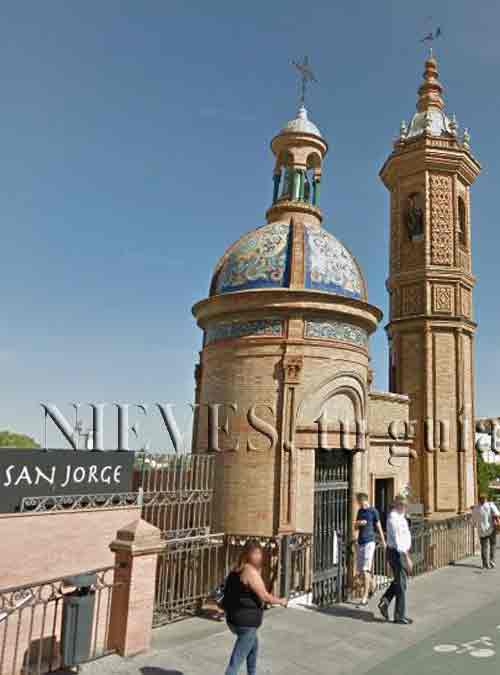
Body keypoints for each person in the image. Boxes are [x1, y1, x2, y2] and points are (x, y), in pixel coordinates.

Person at [223, 540, 288, 675]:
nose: (258, 556)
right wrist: (281, 601)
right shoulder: (249, 571)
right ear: (247, 554)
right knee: (234, 664)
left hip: (234, 620)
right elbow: (264, 596)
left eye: (259, 553)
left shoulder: (236, 569)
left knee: (253, 647)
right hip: (246, 623)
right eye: (255, 553)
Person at [377, 495, 413, 625]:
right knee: (402, 585)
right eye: (403, 505)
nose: (405, 507)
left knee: (399, 581)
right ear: (397, 505)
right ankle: (399, 616)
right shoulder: (393, 519)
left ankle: (385, 602)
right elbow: (398, 542)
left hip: (400, 552)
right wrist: (407, 557)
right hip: (397, 553)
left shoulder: (400, 517)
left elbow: (405, 536)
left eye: (406, 505)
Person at [354, 492, 386, 606]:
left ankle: (365, 597)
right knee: (361, 570)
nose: (357, 503)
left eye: (358, 501)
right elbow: (355, 527)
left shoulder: (373, 511)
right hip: (361, 542)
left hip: (370, 542)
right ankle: (373, 585)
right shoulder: (360, 512)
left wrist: (383, 541)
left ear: (363, 500)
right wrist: (358, 523)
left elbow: (379, 526)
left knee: (365, 569)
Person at [472, 494, 499, 569]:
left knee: (484, 547)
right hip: (491, 528)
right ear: (486, 498)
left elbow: (473, 521)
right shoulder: (490, 505)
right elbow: (497, 514)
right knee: (493, 545)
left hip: (481, 530)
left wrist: (475, 525)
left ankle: (485, 564)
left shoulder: (475, 508)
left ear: (478, 499)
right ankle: (492, 561)